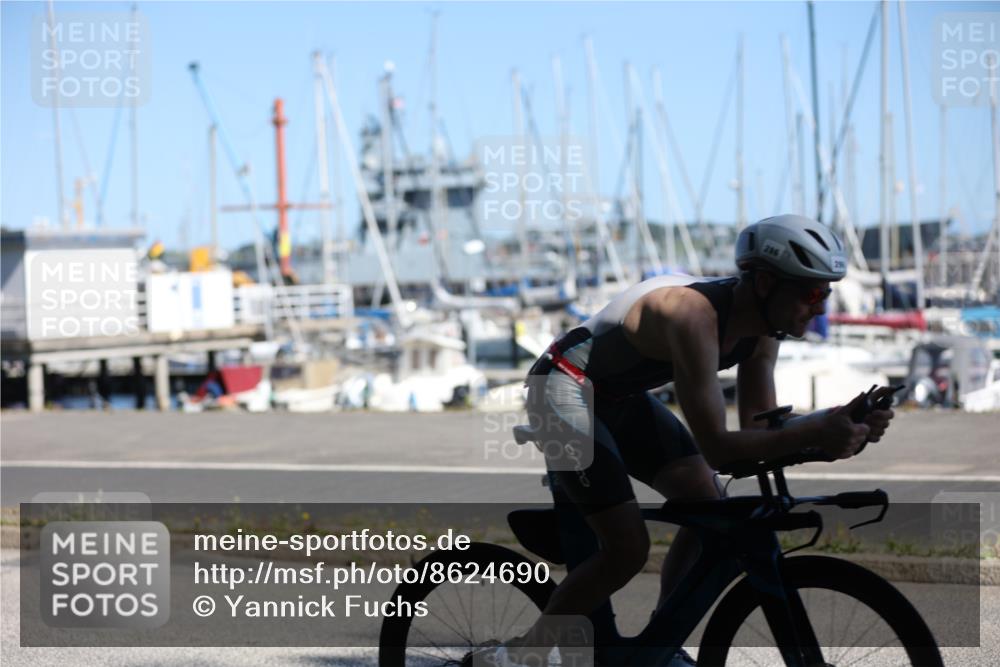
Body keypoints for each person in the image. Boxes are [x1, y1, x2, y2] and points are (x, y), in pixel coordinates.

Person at [473, 214, 897, 667]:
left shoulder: (764, 333)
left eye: (827, 293)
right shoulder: (692, 317)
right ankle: (521, 656)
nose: (820, 308)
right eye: (812, 293)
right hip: (560, 386)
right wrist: (815, 435)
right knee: (627, 549)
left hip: (617, 396)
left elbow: (758, 431)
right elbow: (718, 447)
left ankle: (658, 646)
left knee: (709, 509)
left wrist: (835, 423)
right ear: (766, 283)